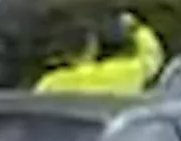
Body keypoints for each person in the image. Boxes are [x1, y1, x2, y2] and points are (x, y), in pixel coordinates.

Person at [34, 11, 166, 96]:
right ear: (93, 47)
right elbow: (152, 58)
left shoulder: (51, 84)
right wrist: (135, 28)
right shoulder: (122, 72)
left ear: (64, 53)